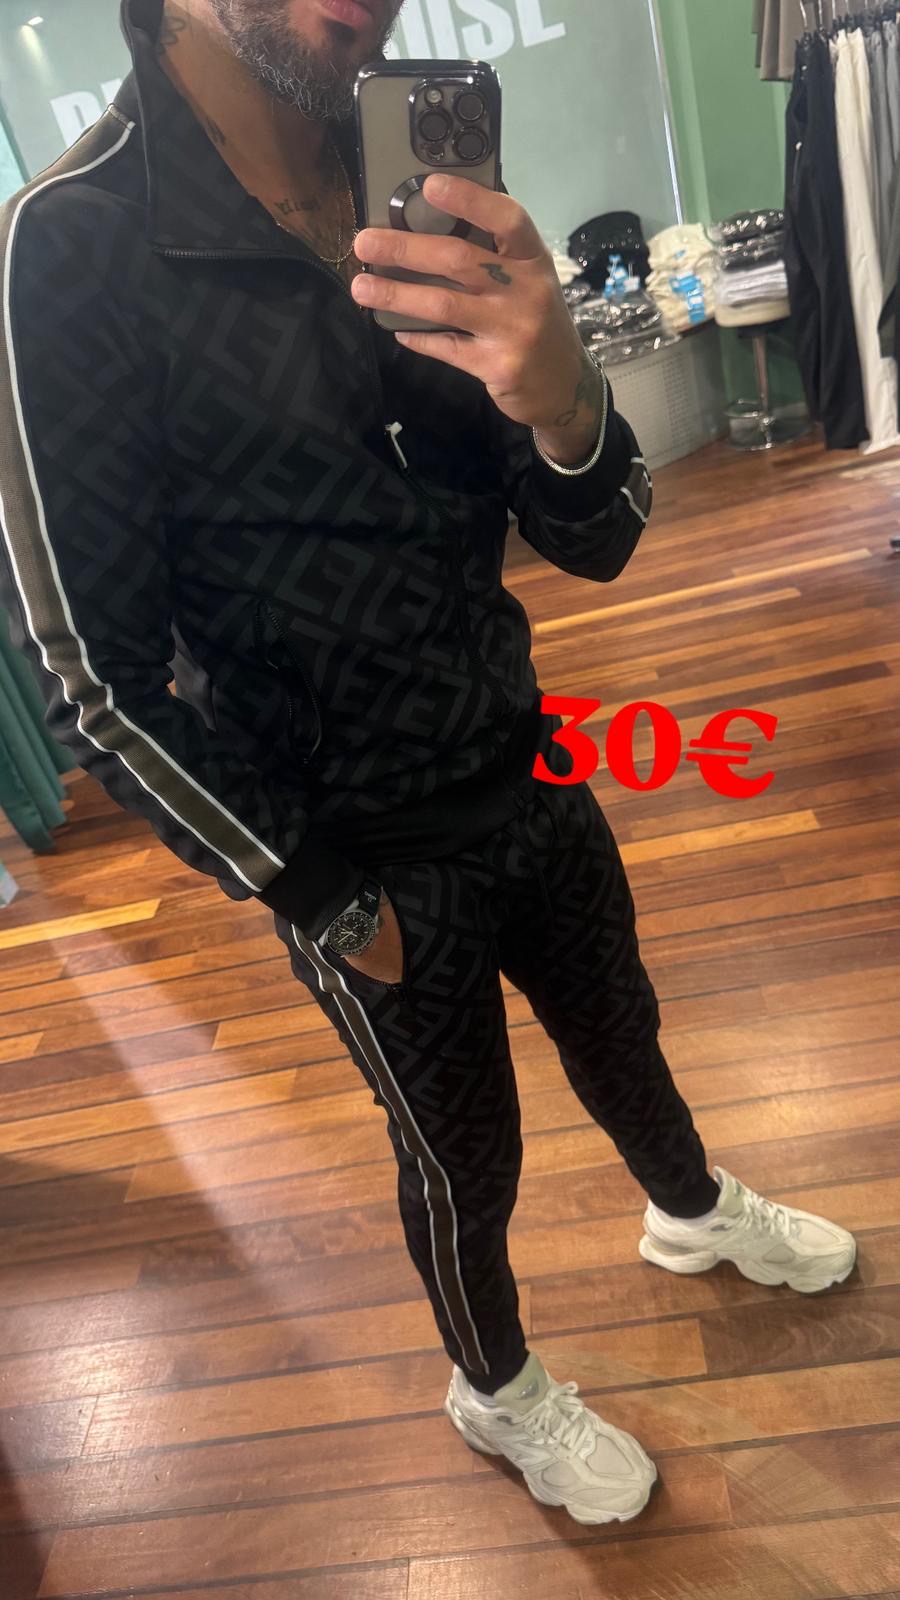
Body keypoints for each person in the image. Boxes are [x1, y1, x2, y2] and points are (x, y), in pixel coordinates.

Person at [0, 0, 857, 1528]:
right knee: (467, 1161)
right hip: (363, 855)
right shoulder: (77, 243)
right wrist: (326, 897)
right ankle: (495, 1387)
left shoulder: (417, 174)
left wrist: (563, 398)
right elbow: (100, 691)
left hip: (527, 761)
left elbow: (595, 540)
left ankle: (689, 1209)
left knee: (626, 1035)